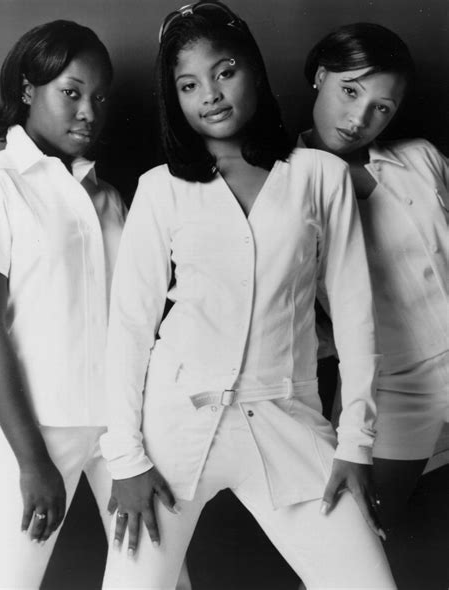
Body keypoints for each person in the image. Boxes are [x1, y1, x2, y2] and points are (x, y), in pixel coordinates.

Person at [99, 3, 397, 589]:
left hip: (290, 419)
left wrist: (356, 444)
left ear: (254, 72)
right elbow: (130, 327)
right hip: (172, 431)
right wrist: (126, 459)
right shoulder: (160, 190)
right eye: (188, 85)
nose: (209, 94)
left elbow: (356, 315)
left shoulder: (319, 176)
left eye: (224, 72)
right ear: (175, 98)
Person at [0, 20, 127, 589]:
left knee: (157, 577)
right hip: (33, 429)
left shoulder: (107, 197)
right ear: (26, 89)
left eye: (99, 98)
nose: (88, 111)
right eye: (71, 92)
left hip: (122, 431)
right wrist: (31, 460)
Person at [300, 19, 448, 566]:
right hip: (393, 387)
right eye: (350, 91)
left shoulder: (421, 159)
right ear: (321, 76)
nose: (360, 118)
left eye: (381, 107)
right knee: (350, 547)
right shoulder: (285, 185)